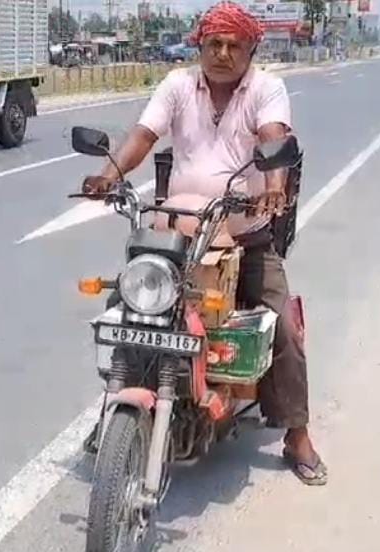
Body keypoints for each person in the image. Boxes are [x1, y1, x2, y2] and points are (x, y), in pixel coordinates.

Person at [81, 2, 327, 485]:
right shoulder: (177, 85)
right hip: (175, 236)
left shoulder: (266, 88)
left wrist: (274, 185)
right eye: (214, 43)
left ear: (252, 49)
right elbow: (143, 135)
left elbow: (273, 137)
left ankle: (297, 433)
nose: (222, 53)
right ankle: (116, 409)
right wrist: (108, 174)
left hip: (244, 235)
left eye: (235, 45)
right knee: (125, 309)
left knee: (282, 335)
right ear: (199, 45)